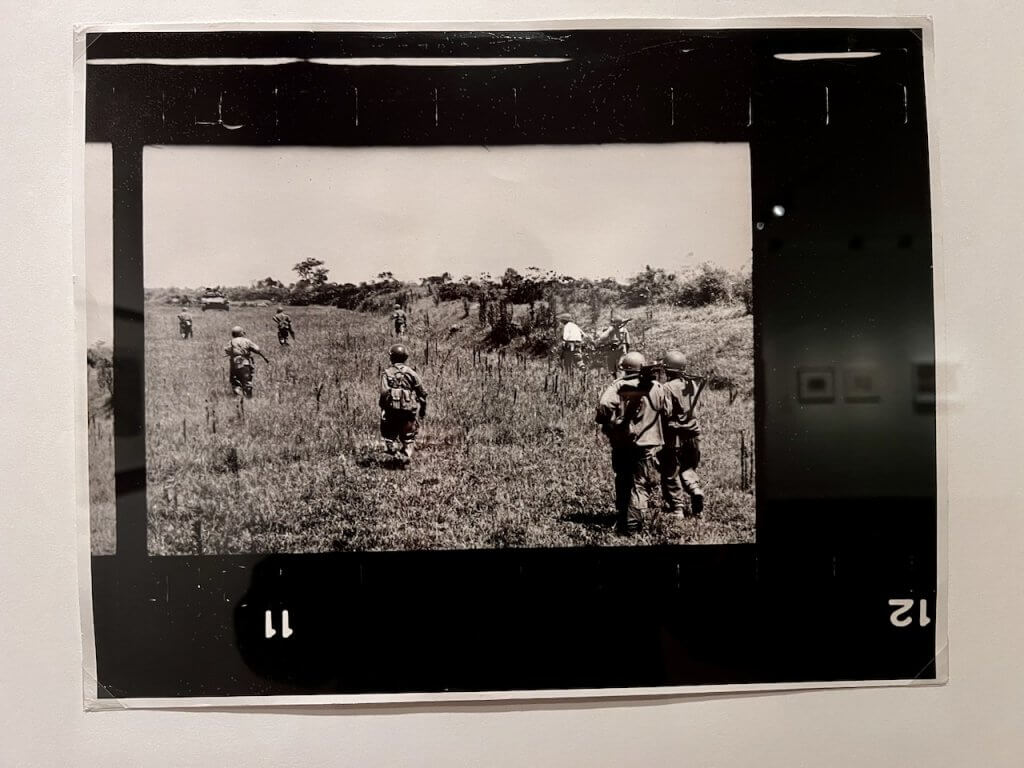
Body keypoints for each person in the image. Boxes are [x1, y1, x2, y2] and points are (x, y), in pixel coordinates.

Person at [595, 351, 672, 535]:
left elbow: (604, 406)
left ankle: (625, 520)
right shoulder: (657, 387)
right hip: (648, 444)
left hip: (623, 443)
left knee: (623, 478)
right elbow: (667, 411)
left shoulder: (619, 385)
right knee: (640, 484)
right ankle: (633, 524)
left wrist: (610, 422)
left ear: (625, 368)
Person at [659, 350, 706, 518]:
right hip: (693, 435)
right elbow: (699, 407)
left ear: (667, 370)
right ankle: (695, 490)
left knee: (670, 471)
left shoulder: (667, 388)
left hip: (674, 437)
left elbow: (666, 412)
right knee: (688, 467)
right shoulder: (693, 385)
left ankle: (677, 508)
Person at [379, 344, 428, 463]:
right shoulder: (411, 373)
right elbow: (422, 393)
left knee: (389, 434)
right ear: (405, 357)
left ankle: (393, 453)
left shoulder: (387, 373)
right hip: (408, 409)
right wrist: (422, 409)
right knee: (408, 435)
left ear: (392, 357)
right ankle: (406, 456)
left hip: (392, 410)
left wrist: (383, 409)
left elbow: (384, 393)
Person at [223, 326, 270, 398]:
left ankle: (238, 396)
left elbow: (227, 350)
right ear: (241, 333)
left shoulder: (231, 341)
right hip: (245, 363)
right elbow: (257, 349)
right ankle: (248, 398)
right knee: (246, 380)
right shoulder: (246, 341)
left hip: (234, 363)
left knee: (235, 381)